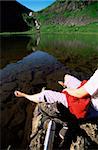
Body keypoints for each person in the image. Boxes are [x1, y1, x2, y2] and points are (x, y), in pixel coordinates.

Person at [14, 69, 98, 119]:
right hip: (90, 96)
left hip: (89, 108)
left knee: (45, 94)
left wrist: (67, 90)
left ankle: (24, 95)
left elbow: (79, 94)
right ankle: (65, 86)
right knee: (67, 77)